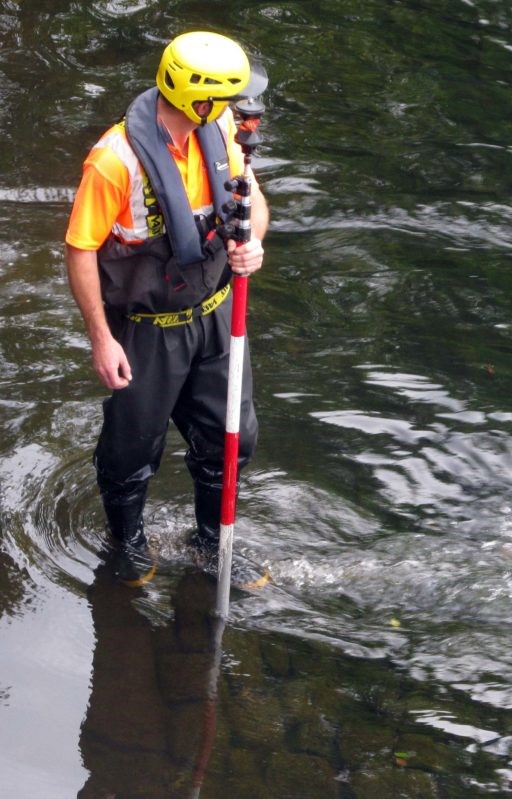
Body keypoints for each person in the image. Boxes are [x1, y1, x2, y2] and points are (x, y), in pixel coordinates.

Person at [65, 31, 269, 576]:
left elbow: (250, 193)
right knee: (129, 454)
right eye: (227, 98)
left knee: (232, 439)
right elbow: (80, 249)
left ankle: (210, 542)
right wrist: (101, 340)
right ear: (198, 100)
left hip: (217, 312)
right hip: (147, 330)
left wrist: (253, 243)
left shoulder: (221, 130)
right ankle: (127, 545)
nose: (239, 108)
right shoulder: (115, 161)